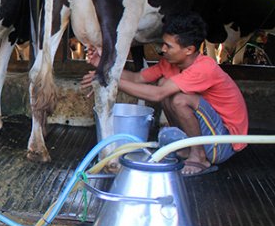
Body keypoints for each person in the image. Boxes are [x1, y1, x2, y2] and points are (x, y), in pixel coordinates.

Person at [80, 13, 249, 177]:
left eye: (169, 46)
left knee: (179, 99)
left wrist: (107, 80)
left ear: (189, 49)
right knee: (165, 85)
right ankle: (184, 148)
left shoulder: (204, 67)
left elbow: (157, 95)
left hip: (224, 142)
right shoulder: (170, 63)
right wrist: (102, 65)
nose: (163, 49)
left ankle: (199, 158)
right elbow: (137, 78)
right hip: (208, 137)